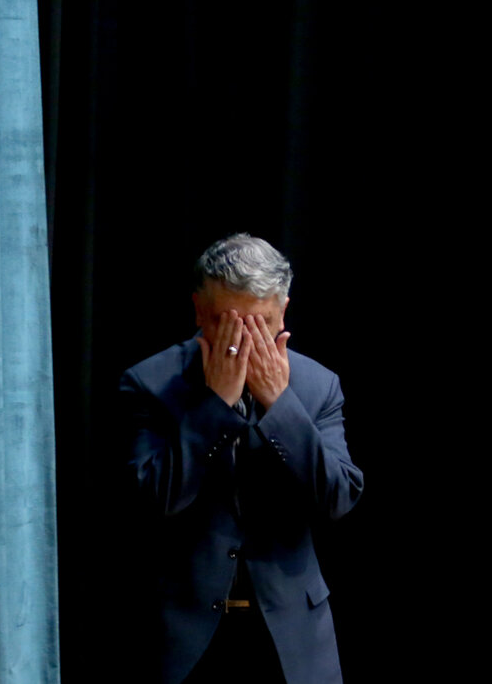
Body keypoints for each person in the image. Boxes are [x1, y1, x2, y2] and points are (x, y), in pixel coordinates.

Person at [123, 234, 364, 684]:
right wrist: (215, 405)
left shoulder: (319, 385)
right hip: (185, 637)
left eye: (261, 324)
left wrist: (281, 406)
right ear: (198, 310)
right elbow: (156, 500)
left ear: (283, 311)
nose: (244, 343)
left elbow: (338, 498)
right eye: (227, 323)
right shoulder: (149, 383)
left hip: (293, 639)